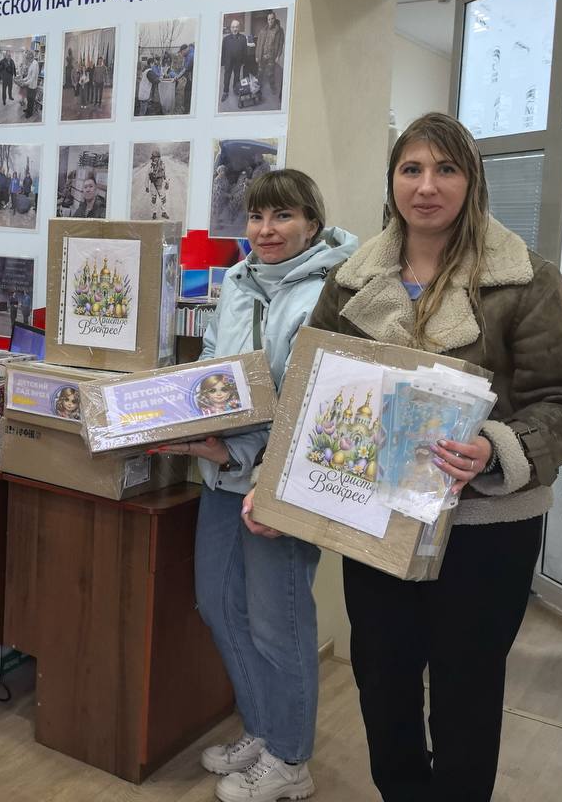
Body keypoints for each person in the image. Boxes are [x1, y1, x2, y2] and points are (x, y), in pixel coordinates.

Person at [305, 112, 562, 802]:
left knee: (467, 691)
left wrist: (497, 448)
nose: (427, 186)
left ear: (472, 181)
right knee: (382, 682)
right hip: (378, 520)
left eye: (446, 169)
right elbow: (313, 387)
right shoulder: (349, 281)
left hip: (485, 527)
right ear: (392, 182)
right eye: (411, 169)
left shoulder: (525, 280)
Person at [156, 170, 357, 802]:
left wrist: (238, 450)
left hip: (282, 483)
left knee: (279, 625)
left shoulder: (334, 290)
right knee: (218, 604)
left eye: (283, 217)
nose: (266, 231)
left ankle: (291, 761)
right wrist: (187, 421)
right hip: (222, 475)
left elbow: (315, 402)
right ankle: (264, 730)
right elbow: (214, 368)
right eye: (256, 217)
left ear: (312, 224)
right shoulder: (237, 281)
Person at [256, 11, 285, 98]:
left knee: (270, 73)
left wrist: (278, 56)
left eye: (272, 19)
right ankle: (259, 85)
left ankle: (272, 86)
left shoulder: (279, 31)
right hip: (262, 55)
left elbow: (280, 44)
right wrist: (257, 56)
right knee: (260, 72)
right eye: (269, 19)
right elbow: (258, 44)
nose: (270, 21)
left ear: (275, 19)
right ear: (267, 20)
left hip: (271, 56)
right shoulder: (263, 30)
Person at [221, 20, 249, 103]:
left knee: (237, 77)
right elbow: (223, 51)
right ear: (230, 28)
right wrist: (223, 62)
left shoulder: (243, 38)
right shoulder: (226, 39)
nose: (235, 29)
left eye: (236, 27)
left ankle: (235, 89)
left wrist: (244, 62)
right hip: (228, 62)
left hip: (238, 62)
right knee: (227, 77)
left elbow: (245, 51)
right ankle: (225, 92)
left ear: (239, 28)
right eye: (233, 27)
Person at [22, 51, 41, 120]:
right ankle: (28, 109)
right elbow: (28, 76)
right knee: (28, 99)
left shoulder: (35, 64)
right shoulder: (31, 63)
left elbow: (33, 78)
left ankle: (30, 113)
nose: (27, 60)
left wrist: (25, 83)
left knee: (31, 100)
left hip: (33, 86)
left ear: (31, 57)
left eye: (28, 58)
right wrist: (23, 80)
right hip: (29, 85)